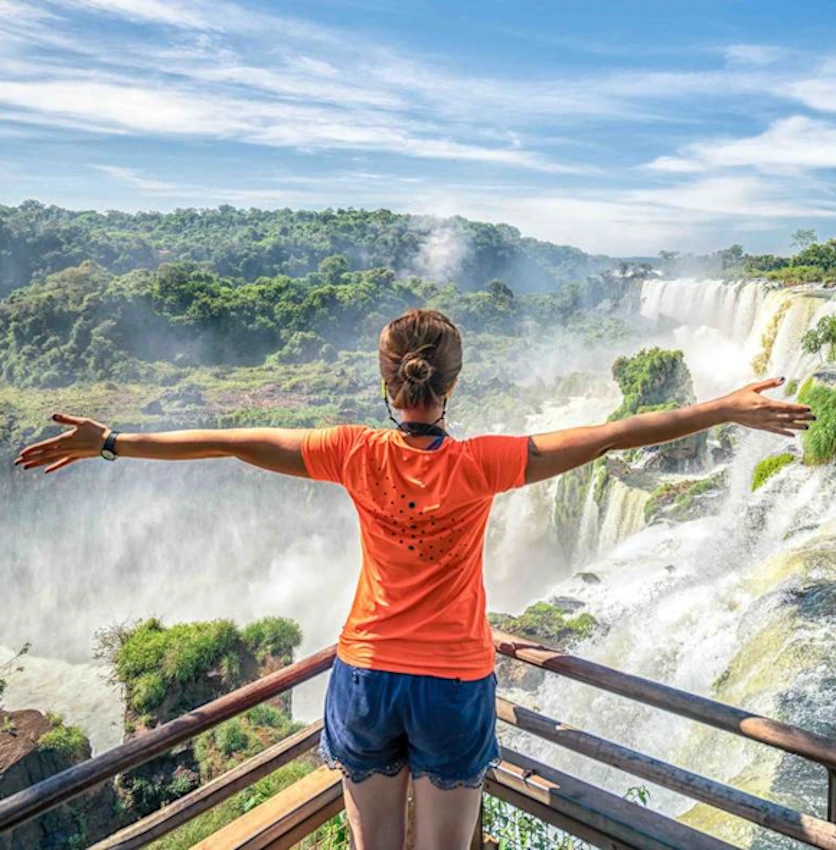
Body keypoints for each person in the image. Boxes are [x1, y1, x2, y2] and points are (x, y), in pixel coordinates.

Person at [15, 308, 813, 850]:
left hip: (362, 675)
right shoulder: (485, 462)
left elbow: (230, 442)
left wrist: (112, 441)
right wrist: (720, 411)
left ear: (387, 385)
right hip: (453, 681)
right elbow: (609, 437)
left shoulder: (352, 452)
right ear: (450, 386)